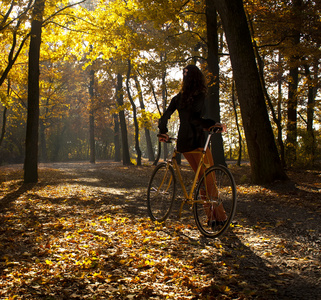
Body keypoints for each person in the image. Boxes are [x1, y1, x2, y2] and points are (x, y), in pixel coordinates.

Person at [158, 64, 227, 226]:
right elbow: (195, 120)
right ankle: (220, 218)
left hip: (183, 144)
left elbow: (165, 116)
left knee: (202, 178)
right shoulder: (200, 95)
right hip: (197, 142)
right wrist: (213, 124)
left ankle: (211, 217)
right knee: (209, 179)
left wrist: (163, 131)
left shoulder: (179, 97)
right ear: (199, 79)